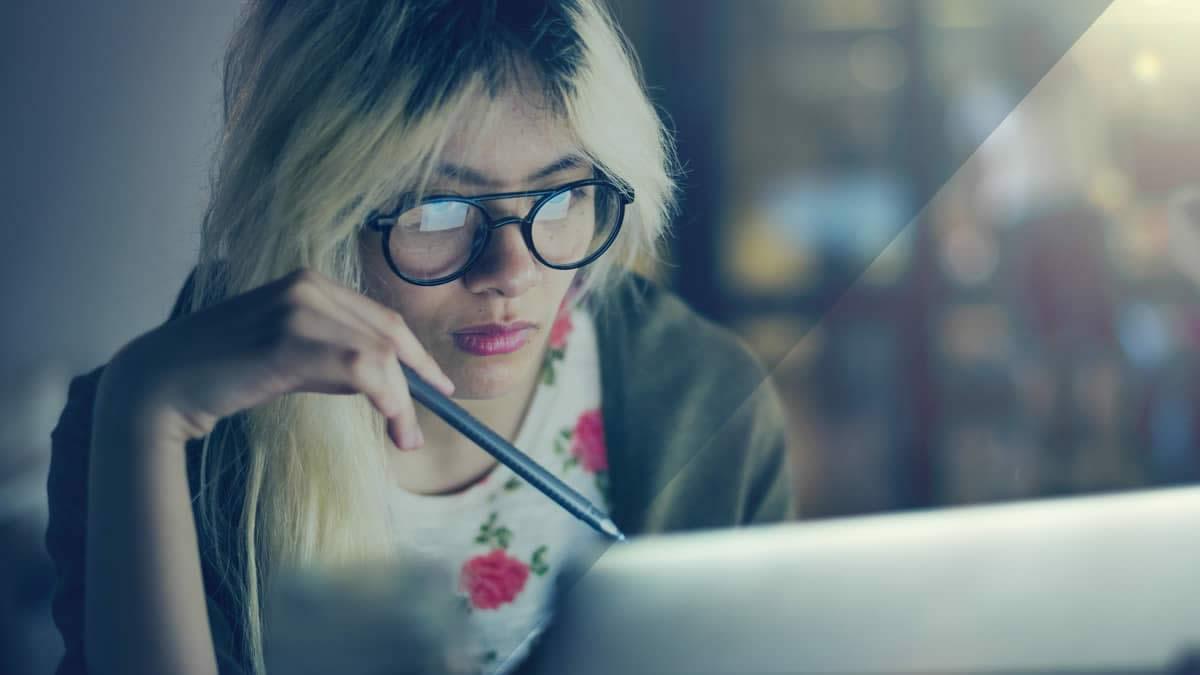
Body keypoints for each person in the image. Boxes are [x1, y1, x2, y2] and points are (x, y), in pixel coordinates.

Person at [44, 1, 795, 674]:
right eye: (436, 210)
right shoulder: (143, 429)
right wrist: (144, 412)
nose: (511, 270)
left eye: (563, 195)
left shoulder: (712, 400)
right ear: (319, 211)